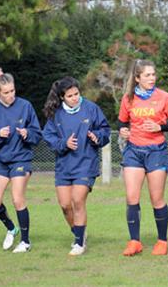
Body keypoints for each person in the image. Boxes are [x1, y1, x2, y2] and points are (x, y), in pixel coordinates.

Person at [42, 77, 111, 256]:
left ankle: (79, 244)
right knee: (65, 205)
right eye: (70, 96)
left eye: (77, 94)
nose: (75, 98)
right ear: (62, 97)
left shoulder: (91, 109)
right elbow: (49, 138)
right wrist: (64, 144)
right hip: (64, 166)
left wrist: (97, 137)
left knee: (78, 201)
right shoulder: (55, 114)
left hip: (86, 164)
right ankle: (79, 233)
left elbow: (105, 130)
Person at [118, 59, 168, 256]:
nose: (152, 78)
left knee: (156, 198)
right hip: (134, 151)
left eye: (153, 74)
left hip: (156, 151)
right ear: (137, 78)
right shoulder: (128, 98)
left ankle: (162, 241)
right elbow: (121, 123)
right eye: (147, 75)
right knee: (132, 197)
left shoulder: (165, 97)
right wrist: (123, 131)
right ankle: (134, 241)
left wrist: (160, 127)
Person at [0, 73, 42, 253]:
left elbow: (37, 134)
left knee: (17, 199)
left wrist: (27, 134)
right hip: (0, 161)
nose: (10, 95)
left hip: (21, 159)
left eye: (12, 91)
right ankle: (11, 228)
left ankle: (25, 242)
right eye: (6, 92)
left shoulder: (26, 106)